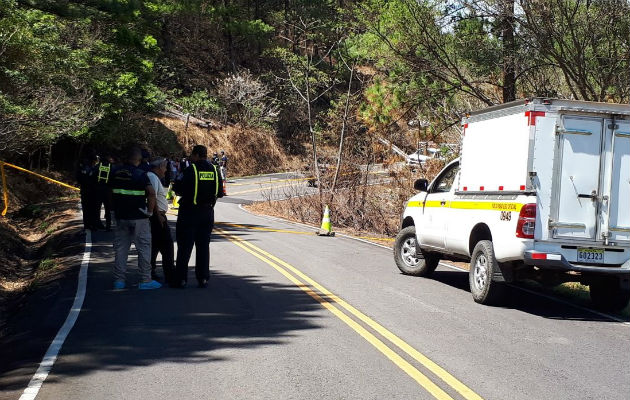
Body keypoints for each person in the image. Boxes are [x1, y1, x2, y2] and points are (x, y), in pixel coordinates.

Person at [109, 147, 161, 290]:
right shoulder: (140, 174)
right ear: (138, 159)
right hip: (139, 216)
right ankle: (145, 280)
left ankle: (119, 281)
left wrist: (113, 210)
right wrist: (150, 211)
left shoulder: (115, 173)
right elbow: (151, 193)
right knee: (144, 247)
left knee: (121, 248)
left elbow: (110, 193)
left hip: (121, 216)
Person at [173, 145, 223, 288]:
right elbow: (219, 193)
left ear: (195, 155)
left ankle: (181, 279)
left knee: (185, 246)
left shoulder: (190, 170)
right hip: (207, 213)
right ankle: (203, 278)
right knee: (203, 246)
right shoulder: (215, 170)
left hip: (189, 212)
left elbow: (177, 189)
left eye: (191, 155)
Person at [147, 158, 175, 286]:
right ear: (158, 167)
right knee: (167, 246)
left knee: (155, 246)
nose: (165, 170)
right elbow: (152, 197)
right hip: (157, 217)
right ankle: (170, 275)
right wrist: (158, 215)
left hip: (157, 216)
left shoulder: (153, 176)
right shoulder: (152, 177)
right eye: (164, 167)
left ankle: (151, 271)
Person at [76, 154, 99, 230]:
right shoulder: (95, 169)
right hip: (93, 191)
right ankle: (93, 225)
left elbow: (78, 178)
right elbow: (97, 180)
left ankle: (87, 225)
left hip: (84, 191)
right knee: (93, 209)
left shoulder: (81, 168)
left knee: (86, 209)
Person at [93, 154, 114, 231]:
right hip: (108, 190)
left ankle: (96, 225)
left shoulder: (97, 166)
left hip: (98, 189)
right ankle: (108, 226)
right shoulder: (111, 167)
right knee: (107, 208)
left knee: (97, 208)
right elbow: (114, 177)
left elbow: (93, 176)